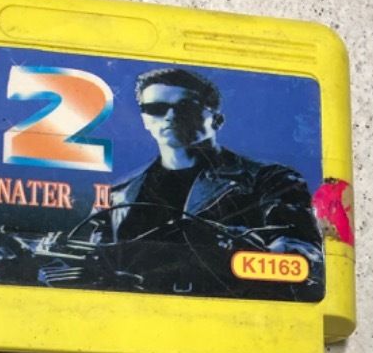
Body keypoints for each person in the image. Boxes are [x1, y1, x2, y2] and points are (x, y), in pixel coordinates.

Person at [103, 67, 323, 297]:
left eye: (187, 106)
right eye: (155, 109)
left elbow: (303, 255)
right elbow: (87, 262)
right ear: (144, 119)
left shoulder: (270, 179)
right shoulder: (118, 194)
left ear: (217, 120)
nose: (170, 116)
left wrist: (235, 246)